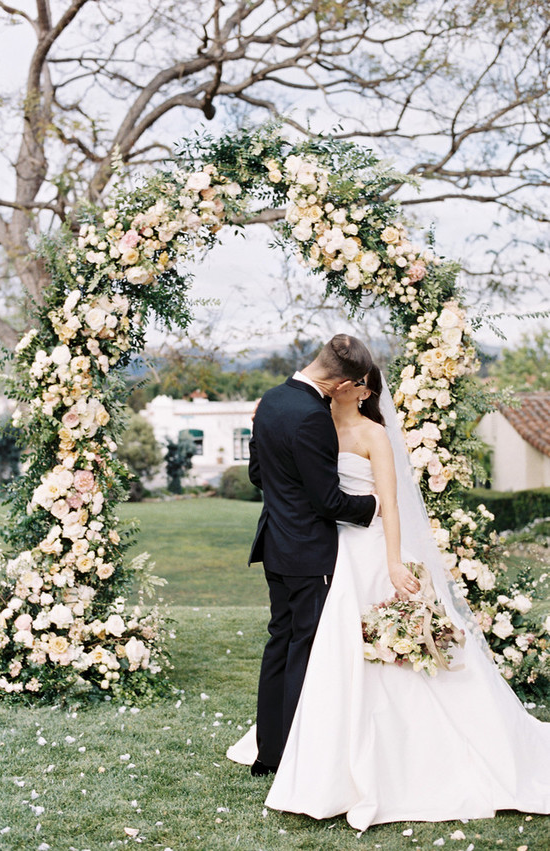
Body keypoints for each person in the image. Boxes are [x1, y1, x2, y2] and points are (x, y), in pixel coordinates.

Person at [228, 364, 550, 829]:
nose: (360, 391)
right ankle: (303, 745)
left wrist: (396, 562)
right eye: (358, 382)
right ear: (342, 385)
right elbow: (301, 487)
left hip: (364, 550)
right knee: (314, 646)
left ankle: (365, 750)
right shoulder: (312, 420)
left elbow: (390, 502)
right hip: (326, 549)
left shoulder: (369, 432)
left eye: (366, 387)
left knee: (320, 644)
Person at [245, 334, 400, 778]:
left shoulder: (272, 400)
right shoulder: (314, 417)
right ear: (343, 382)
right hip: (309, 552)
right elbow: (329, 502)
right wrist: (373, 506)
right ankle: (296, 752)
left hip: (275, 543)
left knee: (279, 644)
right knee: (304, 651)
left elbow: (259, 473)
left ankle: (269, 753)